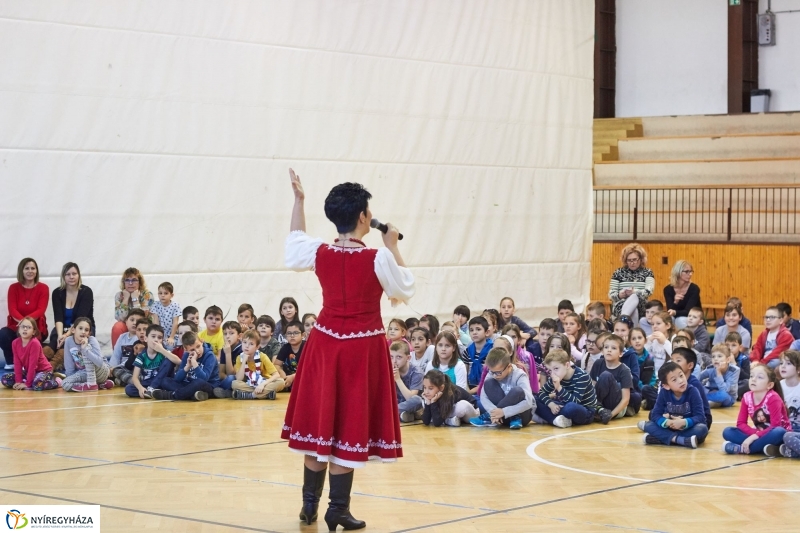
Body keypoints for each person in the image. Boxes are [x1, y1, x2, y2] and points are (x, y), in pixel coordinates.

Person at [280, 170, 414, 531]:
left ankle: (309, 506)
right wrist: (393, 244)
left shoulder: (319, 252)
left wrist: (299, 202)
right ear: (362, 217)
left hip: (324, 343)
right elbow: (405, 289)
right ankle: (336, 510)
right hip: (361, 348)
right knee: (346, 428)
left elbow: (294, 242)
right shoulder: (377, 258)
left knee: (320, 422)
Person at [723, 364, 790, 456]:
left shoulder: (773, 398)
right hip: (759, 434)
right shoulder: (746, 397)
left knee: (779, 431)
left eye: (760, 377)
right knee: (728, 431)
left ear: (769, 385)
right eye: (751, 376)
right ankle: (762, 448)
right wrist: (754, 434)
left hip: (775, 435)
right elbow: (740, 423)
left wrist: (754, 436)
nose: (753, 379)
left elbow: (775, 426)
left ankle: (742, 449)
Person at [535, 349, 611, 427]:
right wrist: (550, 404)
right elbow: (541, 392)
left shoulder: (582, 376)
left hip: (585, 411)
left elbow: (576, 401)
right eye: (550, 370)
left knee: (571, 407)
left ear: (567, 365)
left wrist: (559, 387)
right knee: (534, 399)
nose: (552, 374)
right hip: (564, 406)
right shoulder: (556, 376)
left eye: (556, 368)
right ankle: (556, 420)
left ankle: (550, 418)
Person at [642, 362, 708, 449]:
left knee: (702, 429)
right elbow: (655, 415)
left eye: (681, 376)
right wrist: (668, 422)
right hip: (670, 427)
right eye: (674, 380)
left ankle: (662, 438)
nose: (681, 381)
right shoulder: (664, 392)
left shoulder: (693, 391)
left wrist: (683, 422)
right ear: (666, 386)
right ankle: (680, 440)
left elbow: (700, 417)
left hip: (687, 428)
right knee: (649, 425)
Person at [1, 258, 49, 368]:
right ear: (21, 271)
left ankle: (26, 363)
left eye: (33, 268)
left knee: (30, 338)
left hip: (36, 326)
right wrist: (22, 325)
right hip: (16, 325)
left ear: (36, 271)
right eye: (26, 268)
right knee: (3, 334)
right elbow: (12, 310)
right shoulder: (13, 288)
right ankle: (11, 362)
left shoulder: (43, 288)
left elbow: (41, 310)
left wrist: (27, 325)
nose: (30, 271)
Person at [470, 348, 534, 429]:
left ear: (509, 367)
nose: (495, 375)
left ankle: (490, 417)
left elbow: (529, 402)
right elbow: (483, 396)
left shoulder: (520, 375)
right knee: (489, 383)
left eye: (498, 372)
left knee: (517, 391)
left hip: (521, 417)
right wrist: (495, 412)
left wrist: (504, 412)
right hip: (501, 417)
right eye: (492, 372)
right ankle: (493, 416)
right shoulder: (492, 373)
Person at [150, 331, 220, 402]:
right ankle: (193, 395)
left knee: (198, 382)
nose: (197, 351)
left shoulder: (210, 356)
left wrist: (195, 364)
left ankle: (172, 395)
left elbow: (204, 379)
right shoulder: (186, 355)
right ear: (186, 350)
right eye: (192, 350)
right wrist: (187, 367)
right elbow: (177, 379)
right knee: (165, 381)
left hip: (208, 386)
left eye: (198, 346)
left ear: (201, 341)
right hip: (189, 385)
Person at [1, 317, 58, 391]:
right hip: (29, 372)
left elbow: (32, 365)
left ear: (34, 332)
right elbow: (17, 363)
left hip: (44, 371)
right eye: (22, 326)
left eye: (28, 327)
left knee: (37, 385)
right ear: (19, 329)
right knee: (5, 379)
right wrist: (18, 381)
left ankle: (55, 381)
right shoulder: (15, 343)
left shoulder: (34, 343)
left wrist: (27, 384)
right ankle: (30, 380)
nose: (25, 329)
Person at [49, 262, 94, 352]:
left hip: (82, 327)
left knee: (67, 345)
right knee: (53, 344)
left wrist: (66, 335)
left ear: (79, 275)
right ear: (63, 277)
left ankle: (54, 363)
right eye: (68, 274)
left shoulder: (86, 292)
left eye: (74, 274)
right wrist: (60, 335)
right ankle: (43, 360)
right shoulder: (57, 293)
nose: (71, 277)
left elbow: (80, 318)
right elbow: (58, 318)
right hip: (63, 327)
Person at [126, 325, 179, 399]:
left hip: (164, 380)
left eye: (159, 338)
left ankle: (152, 389)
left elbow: (179, 362)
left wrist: (162, 350)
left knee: (169, 361)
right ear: (146, 338)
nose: (156, 340)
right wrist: (140, 388)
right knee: (129, 389)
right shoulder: (141, 356)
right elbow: (135, 377)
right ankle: (157, 392)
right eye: (153, 336)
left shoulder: (163, 353)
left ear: (162, 341)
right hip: (149, 382)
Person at [62, 317, 114, 392]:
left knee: (86, 347)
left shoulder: (92, 340)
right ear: (73, 330)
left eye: (86, 330)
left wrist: (85, 350)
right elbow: (69, 367)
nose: (83, 332)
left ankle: (92, 384)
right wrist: (71, 378)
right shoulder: (68, 341)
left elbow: (99, 362)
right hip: (84, 373)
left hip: (101, 371)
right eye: (80, 328)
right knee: (65, 383)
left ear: (89, 333)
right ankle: (98, 385)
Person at [231, 330, 285, 400]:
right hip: (249, 383)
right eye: (244, 342)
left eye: (251, 344)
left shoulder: (262, 356)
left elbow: (276, 375)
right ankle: (266, 394)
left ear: (257, 347)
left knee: (281, 382)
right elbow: (239, 378)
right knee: (234, 384)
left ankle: (250, 395)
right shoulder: (239, 358)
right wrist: (244, 361)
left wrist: (262, 384)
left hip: (264, 382)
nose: (246, 346)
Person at [608, 243, 655, 323]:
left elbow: (649, 291)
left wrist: (634, 292)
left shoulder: (648, 272)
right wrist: (620, 294)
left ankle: (622, 322)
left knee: (634, 297)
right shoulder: (618, 272)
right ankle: (632, 330)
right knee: (633, 310)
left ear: (641, 259)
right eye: (629, 260)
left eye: (635, 259)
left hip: (641, 304)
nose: (632, 263)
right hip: (621, 303)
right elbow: (611, 294)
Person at [590, 334, 632, 419]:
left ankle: (599, 409)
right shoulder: (598, 363)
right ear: (602, 351)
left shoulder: (624, 370)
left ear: (620, 353)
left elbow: (625, 400)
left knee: (606, 375)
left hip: (616, 407)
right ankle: (597, 409)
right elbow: (592, 386)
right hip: (600, 404)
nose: (609, 350)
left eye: (613, 348)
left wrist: (611, 415)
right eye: (606, 347)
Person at [111, 267, 154, 347]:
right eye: (127, 280)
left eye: (134, 280)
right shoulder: (119, 295)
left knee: (142, 327)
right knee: (118, 326)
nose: (130, 283)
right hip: (128, 325)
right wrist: (126, 299)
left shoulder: (147, 295)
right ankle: (118, 354)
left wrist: (135, 299)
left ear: (139, 282)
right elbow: (120, 318)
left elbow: (142, 319)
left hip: (143, 326)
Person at [390, 341, 424, 422]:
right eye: (391, 357)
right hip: (396, 403)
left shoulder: (417, 372)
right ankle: (404, 415)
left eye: (398, 357)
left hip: (410, 404)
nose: (394, 361)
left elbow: (410, 397)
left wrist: (398, 379)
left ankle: (391, 413)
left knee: (417, 400)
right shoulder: (388, 369)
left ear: (408, 358)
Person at [663, 260, 701, 330]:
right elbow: (670, 311)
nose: (690, 274)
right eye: (687, 272)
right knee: (668, 319)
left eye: (691, 271)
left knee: (679, 320)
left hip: (692, 317)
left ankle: (687, 338)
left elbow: (688, 311)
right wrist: (675, 302)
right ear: (678, 272)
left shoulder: (694, 288)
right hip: (677, 317)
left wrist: (675, 312)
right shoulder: (667, 289)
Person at [275, 321, 305, 391]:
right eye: (289, 333)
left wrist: (293, 377)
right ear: (285, 336)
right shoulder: (285, 347)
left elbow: (310, 369)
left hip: (302, 377)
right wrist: (283, 375)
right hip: (287, 378)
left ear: (303, 335)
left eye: (296, 333)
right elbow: (276, 365)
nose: (292, 336)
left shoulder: (306, 347)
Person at [465, 317, 493, 393]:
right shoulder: (467, 351)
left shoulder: (492, 351)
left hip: (487, 387)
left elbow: (492, 376)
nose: (474, 332)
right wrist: (467, 390)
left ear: (486, 332)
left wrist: (472, 392)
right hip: (470, 388)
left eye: (478, 329)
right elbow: (465, 373)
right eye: (471, 330)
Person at [150, 282, 181, 346]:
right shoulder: (155, 305)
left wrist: (171, 337)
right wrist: (157, 336)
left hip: (172, 334)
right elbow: (156, 321)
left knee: (170, 346)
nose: (162, 295)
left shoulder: (175, 305)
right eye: (160, 293)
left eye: (166, 293)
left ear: (172, 295)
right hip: (160, 333)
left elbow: (175, 322)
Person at [778, 350, 800, 432]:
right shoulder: (778, 386)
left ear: (798, 369)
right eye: (781, 363)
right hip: (782, 428)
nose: (783, 366)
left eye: (788, 363)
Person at [726, 331, 750, 400]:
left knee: (747, 383)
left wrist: (734, 364)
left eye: (733, 345)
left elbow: (747, 376)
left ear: (740, 347)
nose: (730, 348)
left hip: (738, 383)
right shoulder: (723, 356)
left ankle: (730, 395)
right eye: (727, 345)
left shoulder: (744, 359)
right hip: (726, 383)